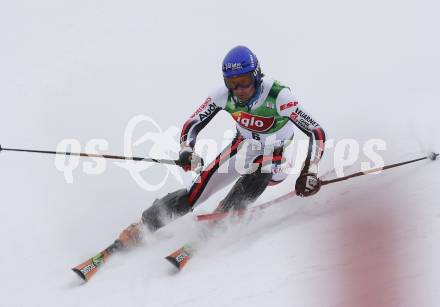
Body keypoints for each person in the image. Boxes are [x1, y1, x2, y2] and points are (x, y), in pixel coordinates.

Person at [118, 45, 326, 247]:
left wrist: (310, 170)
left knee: (262, 167)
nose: (239, 90)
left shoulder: (278, 96)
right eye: (232, 83)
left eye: (244, 81)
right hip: (243, 148)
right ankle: (144, 226)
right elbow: (193, 123)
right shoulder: (223, 95)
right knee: (195, 193)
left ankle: (224, 214)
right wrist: (187, 150)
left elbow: (316, 131)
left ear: (257, 75)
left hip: (278, 157)